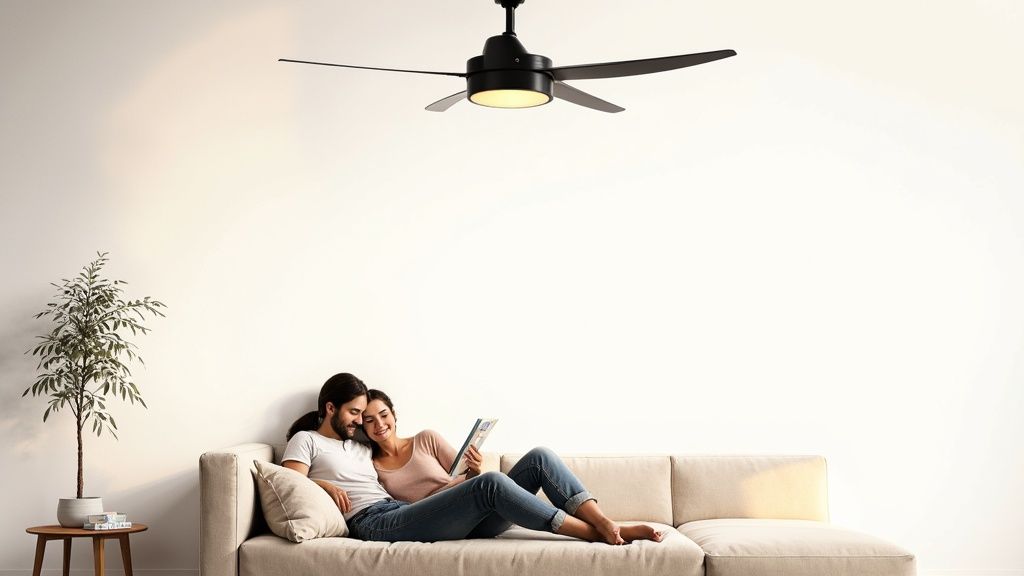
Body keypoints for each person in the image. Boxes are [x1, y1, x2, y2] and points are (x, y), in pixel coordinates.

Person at [283, 373, 663, 544]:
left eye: (369, 415)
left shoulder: (358, 445)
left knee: (540, 457)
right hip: (373, 523)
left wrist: (470, 473)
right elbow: (289, 480)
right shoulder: (307, 440)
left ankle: (603, 521)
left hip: (400, 510)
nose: (362, 422)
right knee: (492, 484)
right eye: (356, 415)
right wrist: (321, 483)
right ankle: (598, 535)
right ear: (330, 408)